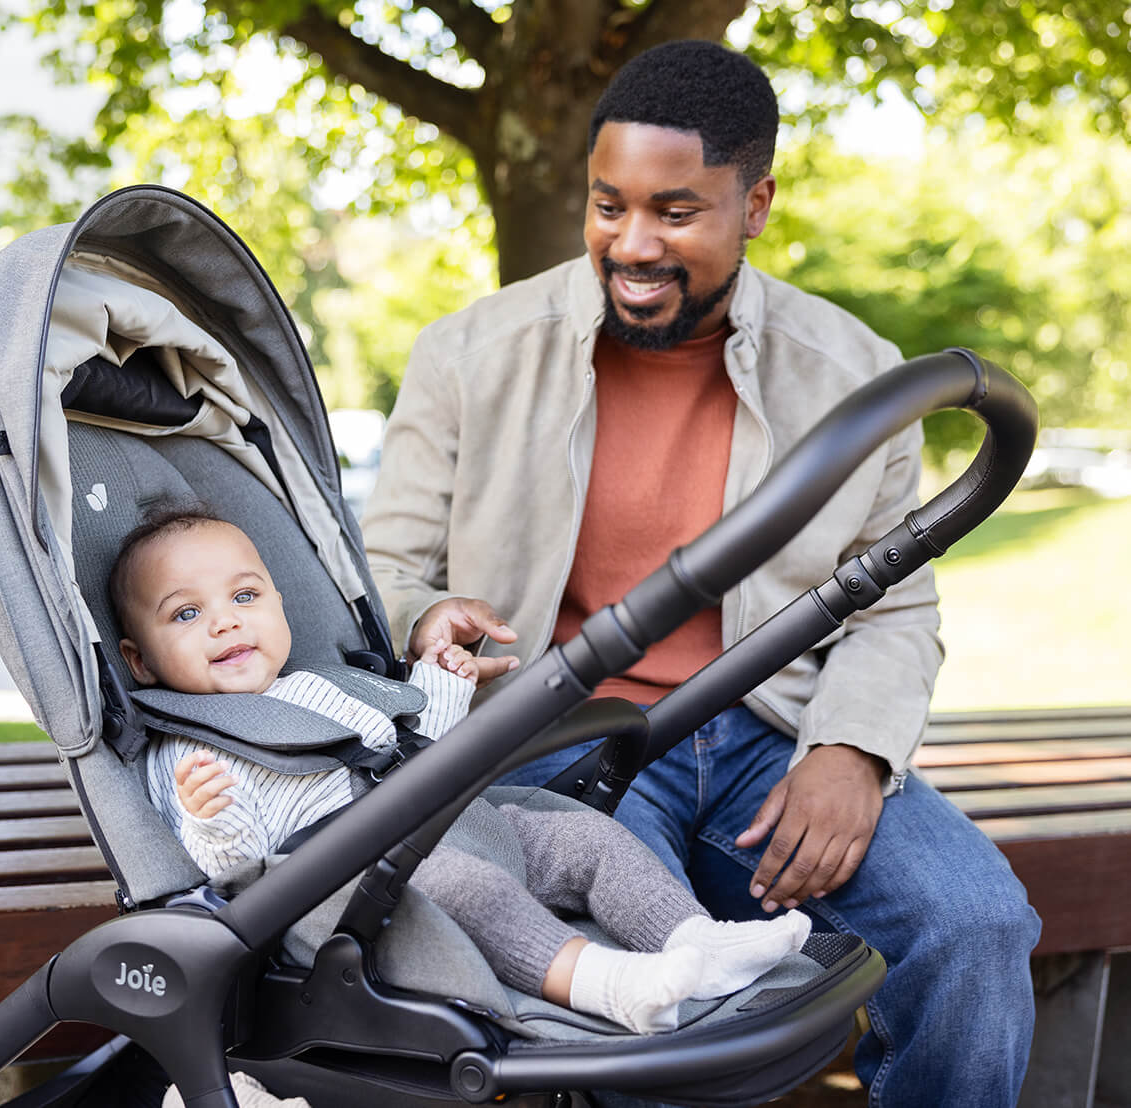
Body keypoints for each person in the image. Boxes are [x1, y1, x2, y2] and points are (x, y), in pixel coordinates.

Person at [360, 38, 1040, 1108]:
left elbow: (896, 602)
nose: (632, 243)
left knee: (975, 924)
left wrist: (854, 751)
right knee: (664, 1017)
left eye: (676, 213)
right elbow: (384, 570)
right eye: (608, 206)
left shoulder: (855, 375)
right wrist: (427, 613)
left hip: (768, 733)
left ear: (755, 204)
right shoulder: (468, 355)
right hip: (560, 742)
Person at [109, 509, 813, 1037]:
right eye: (188, 613)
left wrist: (442, 681)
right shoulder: (187, 751)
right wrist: (210, 815)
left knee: (581, 837)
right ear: (140, 661)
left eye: (244, 598)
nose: (226, 625)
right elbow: (234, 871)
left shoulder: (320, 686)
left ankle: (694, 940)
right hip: (350, 889)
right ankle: (608, 984)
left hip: (445, 827)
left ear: (279, 605)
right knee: (466, 888)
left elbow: (415, 744)